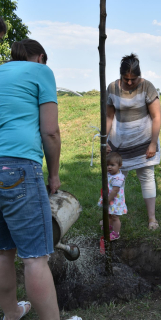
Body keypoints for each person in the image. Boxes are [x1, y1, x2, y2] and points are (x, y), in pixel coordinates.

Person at [0, 39, 81, 320]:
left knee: (3, 252)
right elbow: (50, 131)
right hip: (18, 166)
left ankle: (11, 314)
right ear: (41, 57)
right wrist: (54, 173)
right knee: (35, 258)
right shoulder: (41, 72)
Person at [106, 53, 161, 230]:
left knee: (146, 178)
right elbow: (108, 117)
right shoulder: (112, 88)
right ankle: (111, 217)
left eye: (133, 79)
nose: (129, 83)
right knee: (116, 179)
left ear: (140, 75)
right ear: (120, 75)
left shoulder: (147, 87)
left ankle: (152, 219)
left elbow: (156, 116)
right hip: (120, 142)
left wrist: (153, 143)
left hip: (144, 141)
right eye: (126, 79)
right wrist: (104, 140)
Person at [98, 152, 127, 241]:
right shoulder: (110, 174)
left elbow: (115, 190)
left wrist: (107, 200)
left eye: (112, 165)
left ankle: (116, 233)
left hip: (115, 201)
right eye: (107, 165)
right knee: (109, 214)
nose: (109, 167)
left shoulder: (118, 178)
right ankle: (110, 226)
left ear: (120, 165)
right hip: (110, 198)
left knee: (115, 217)